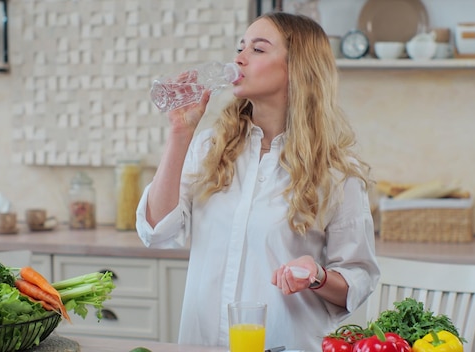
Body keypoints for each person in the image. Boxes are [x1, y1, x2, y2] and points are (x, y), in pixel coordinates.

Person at [136, 11, 379, 351]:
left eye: (258, 49)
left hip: (287, 344)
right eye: (240, 47)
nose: (239, 58)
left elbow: (358, 279)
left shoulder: (337, 171)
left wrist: (317, 276)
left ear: (297, 67)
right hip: (203, 343)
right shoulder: (209, 148)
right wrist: (180, 132)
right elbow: (156, 231)